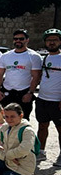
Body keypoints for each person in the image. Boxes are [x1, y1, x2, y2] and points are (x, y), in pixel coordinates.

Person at [0, 29, 42, 120]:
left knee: (23, 120)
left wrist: (30, 93)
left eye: (21, 39)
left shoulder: (34, 56)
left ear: (27, 40)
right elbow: (0, 74)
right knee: (5, 120)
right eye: (16, 39)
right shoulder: (6, 56)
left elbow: (36, 77)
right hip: (7, 93)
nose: (18, 41)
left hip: (24, 94)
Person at [34, 29, 61, 166]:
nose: (51, 42)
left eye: (55, 40)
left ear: (60, 42)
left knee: (60, 128)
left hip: (57, 100)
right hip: (43, 99)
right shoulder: (44, 57)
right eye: (49, 40)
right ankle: (41, 151)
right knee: (42, 126)